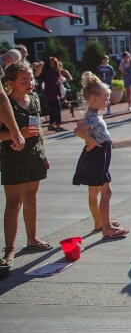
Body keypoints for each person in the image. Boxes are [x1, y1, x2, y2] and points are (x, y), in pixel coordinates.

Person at [1, 63, 51, 268]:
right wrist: (17, 132)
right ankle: (9, 248)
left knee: (31, 197)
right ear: (10, 83)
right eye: (24, 80)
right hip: (13, 159)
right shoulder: (5, 105)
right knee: (13, 202)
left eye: (31, 79)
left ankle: (32, 239)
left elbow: (38, 130)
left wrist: (44, 155)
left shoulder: (35, 99)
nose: (30, 83)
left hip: (34, 156)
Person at [73, 72, 129, 239]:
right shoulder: (93, 117)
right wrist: (93, 141)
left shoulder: (93, 115)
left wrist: (92, 140)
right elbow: (78, 130)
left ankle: (99, 222)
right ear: (92, 99)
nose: (107, 101)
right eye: (105, 99)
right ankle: (107, 227)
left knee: (93, 192)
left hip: (96, 157)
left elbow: (80, 126)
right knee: (107, 192)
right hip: (97, 158)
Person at [41, 57, 71, 132]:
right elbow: (56, 82)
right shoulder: (49, 72)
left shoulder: (52, 71)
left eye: (54, 63)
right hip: (52, 93)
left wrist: (61, 79)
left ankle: (51, 125)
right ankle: (58, 126)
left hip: (52, 93)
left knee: (53, 110)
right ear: (48, 63)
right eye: (51, 63)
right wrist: (63, 79)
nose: (52, 64)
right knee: (57, 109)